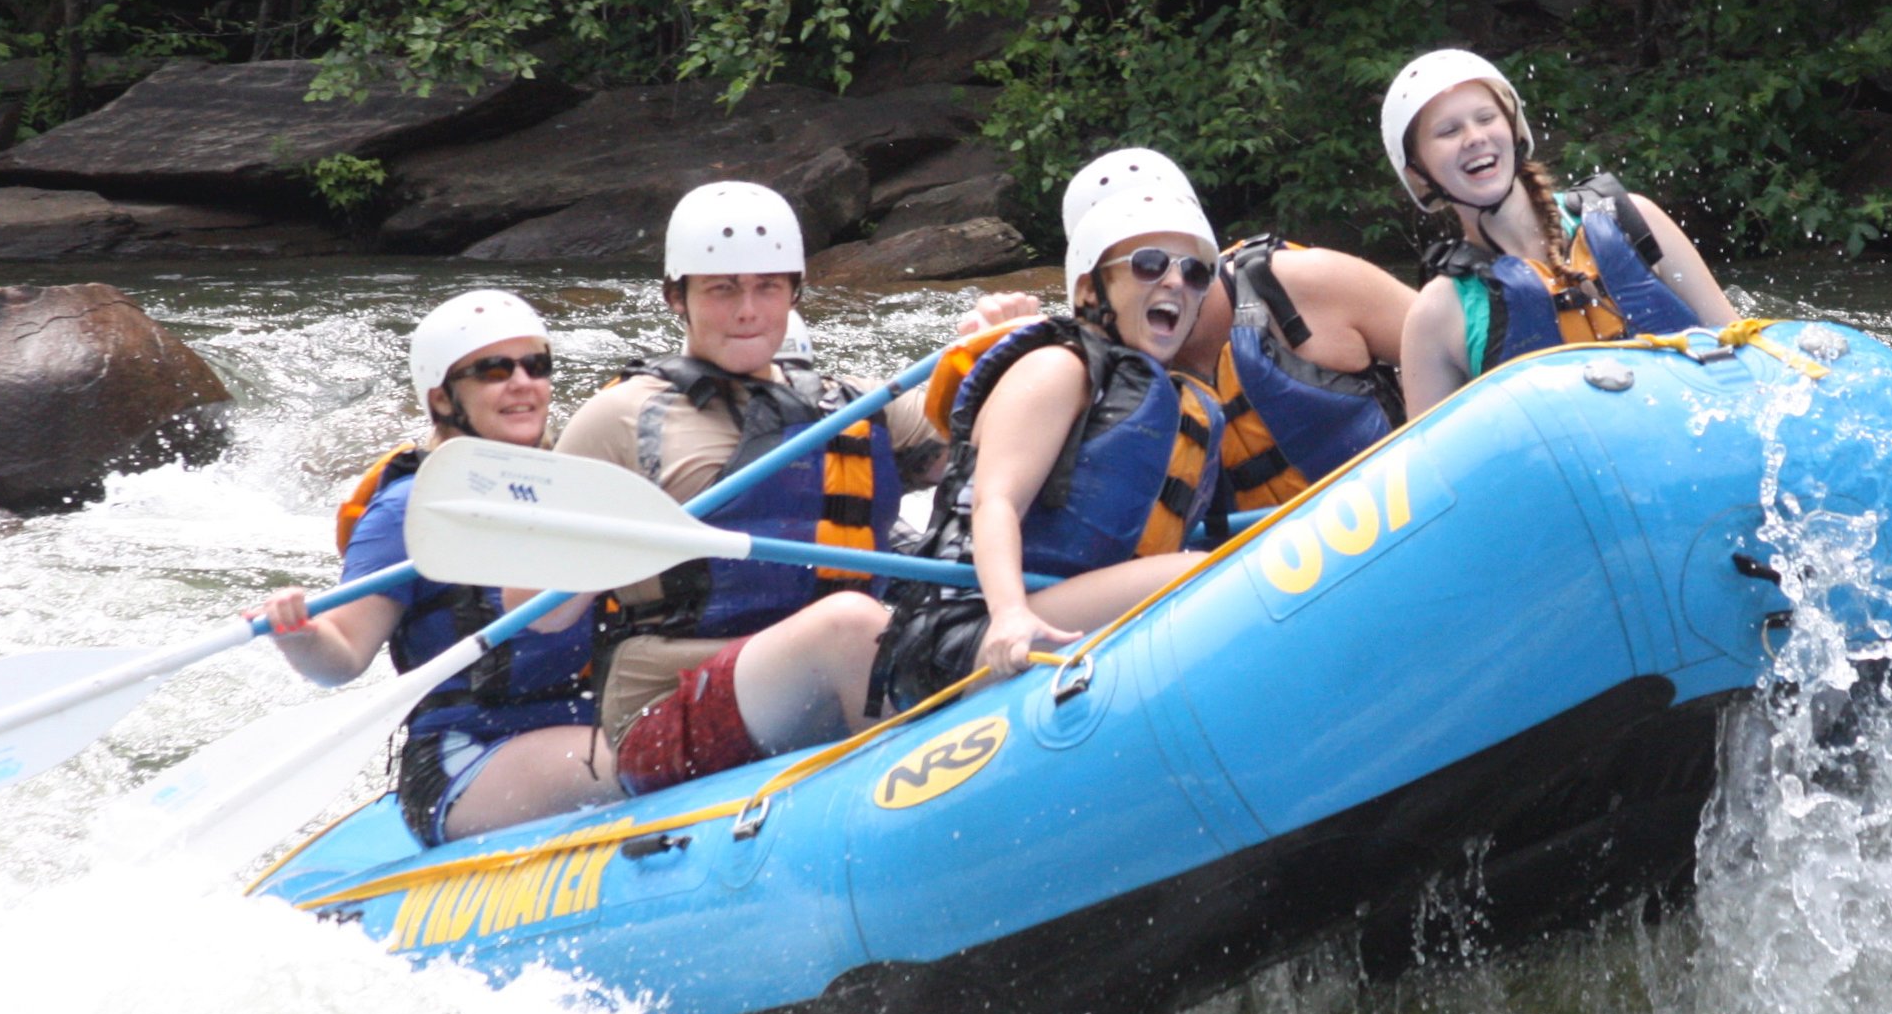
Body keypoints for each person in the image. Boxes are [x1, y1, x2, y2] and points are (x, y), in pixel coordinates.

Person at [538, 181, 947, 796]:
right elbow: (538, 611)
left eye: (767, 287)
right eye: (723, 289)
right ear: (677, 297)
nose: (748, 311)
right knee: (847, 624)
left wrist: (1001, 354)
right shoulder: (619, 419)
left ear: (794, 293)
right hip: (668, 706)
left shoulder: (858, 402)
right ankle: (931, 796)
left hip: (832, 672)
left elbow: (1000, 453)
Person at [252, 290, 619, 845]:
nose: (523, 383)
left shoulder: (581, 485)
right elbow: (343, 657)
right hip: (467, 756)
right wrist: (300, 634)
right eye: (494, 370)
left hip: (588, 722)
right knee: (670, 755)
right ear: (443, 399)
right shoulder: (410, 510)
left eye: (535, 366)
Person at [873, 185, 1227, 707]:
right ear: (1089, 291)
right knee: (1197, 574)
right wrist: (1010, 611)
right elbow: (996, 503)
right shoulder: (1057, 367)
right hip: (963, 628)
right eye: (1150, 264)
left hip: (1054, 605)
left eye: (1194, 272)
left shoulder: (1149, 390)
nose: (1176, 280)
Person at [964, 149, 1415, 512]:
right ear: (1095, 280)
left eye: (1178, 255)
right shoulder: (1088, 373)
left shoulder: (1304, 284)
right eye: (1142, 263)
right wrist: (999, 367)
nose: (1166, 281)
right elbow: (991, 494)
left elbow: (1461, 352)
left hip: (1401, 511)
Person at [1383, 48, 1737, 415]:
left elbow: (1743, 345)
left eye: (1486, 118)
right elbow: (1433, 465)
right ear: (1417, 173)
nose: (1473, 137)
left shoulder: (1633, 219)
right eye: (1448, 131)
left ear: (1514, 130)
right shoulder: (1436, 315)